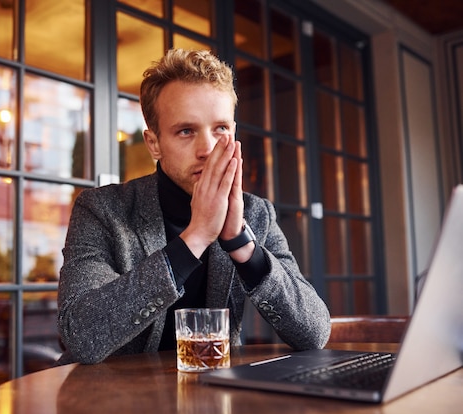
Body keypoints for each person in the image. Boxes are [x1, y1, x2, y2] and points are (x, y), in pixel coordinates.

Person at [56, 48, 331, 365]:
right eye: (186, 131)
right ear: (154, 143)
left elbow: (315, 333)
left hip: (214, 396)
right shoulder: (102, 209)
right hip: (113, 400)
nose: (208, 149)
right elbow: (80, 336)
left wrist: (241, 245)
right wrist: (195, 238)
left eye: (221, 129)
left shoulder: (256, 214)